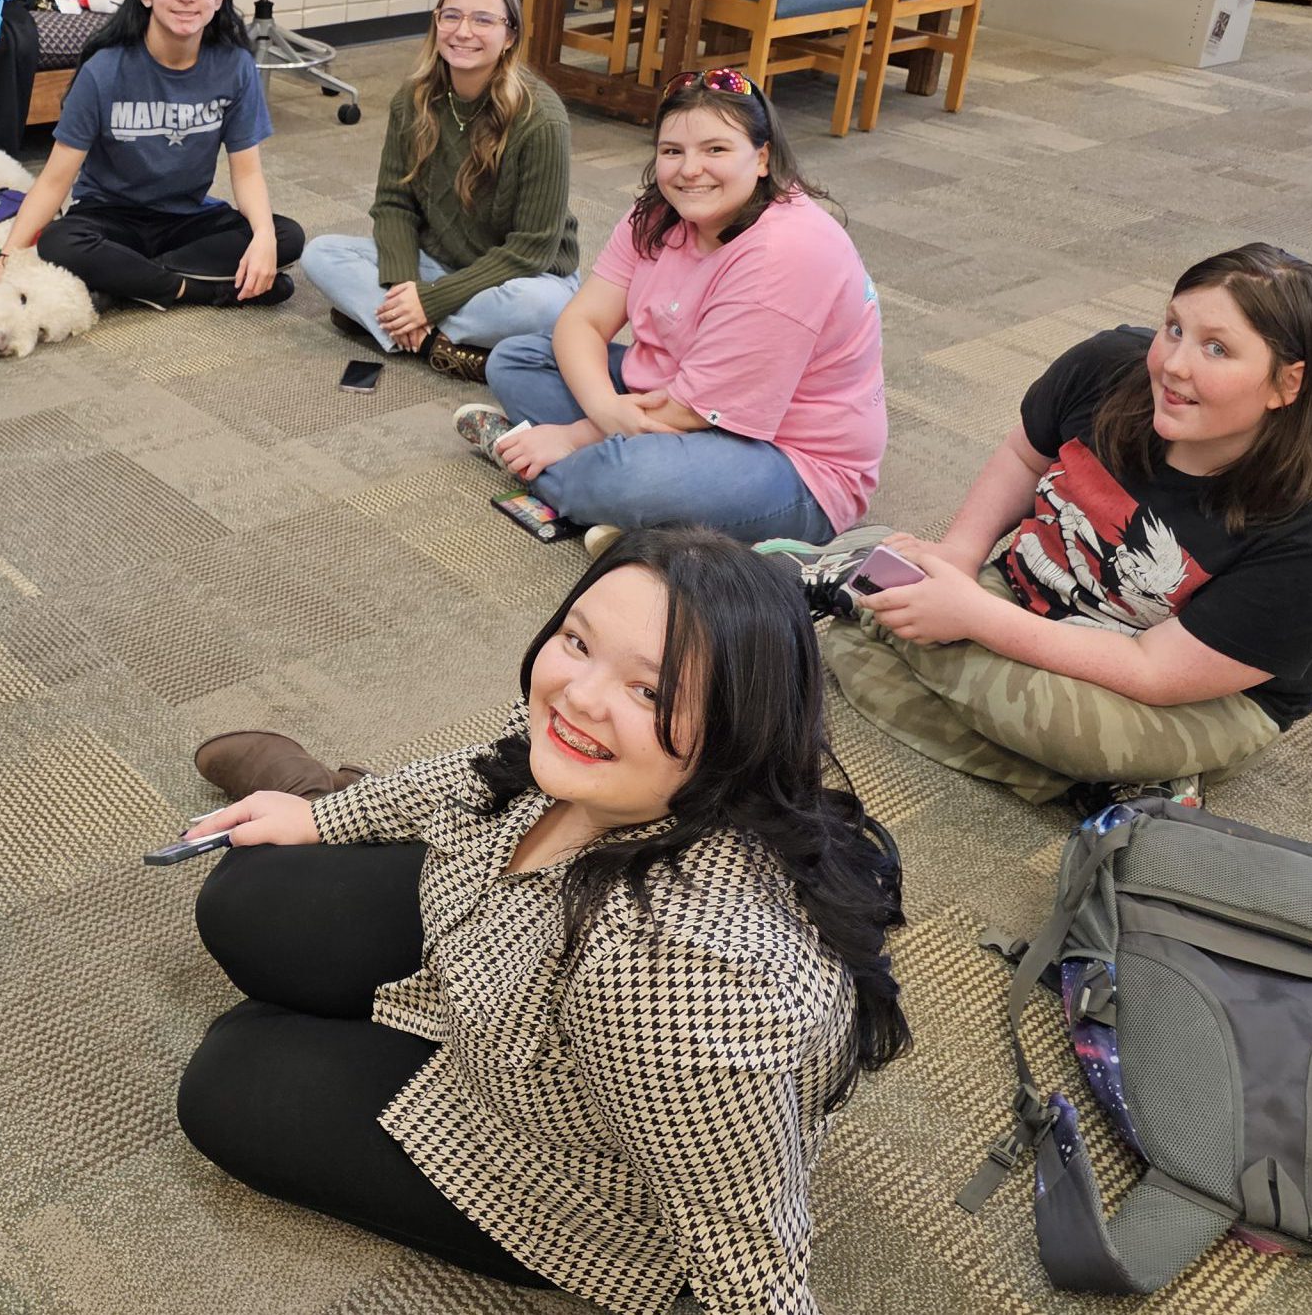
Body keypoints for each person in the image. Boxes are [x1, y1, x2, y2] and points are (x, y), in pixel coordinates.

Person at [174, 527, 907, 1313]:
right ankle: (325, 790)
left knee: (231, 1077)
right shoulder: (596, 739)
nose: (579, 694)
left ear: (736, 730)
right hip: (496, 944)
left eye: (651, 692)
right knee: (244, 896)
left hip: (557, 1159)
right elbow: (484, 766)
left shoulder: (676, 984)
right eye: (576, 640)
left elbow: (754, 1259)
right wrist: (331, 818)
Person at [766, 244, 1312, 809]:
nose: (1173, 365)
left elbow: (1154, 672)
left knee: (1063, 728)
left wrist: (972, 617)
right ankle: (1109, 790)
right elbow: (1022, 456)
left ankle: (857, 597)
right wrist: (957, 555)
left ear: (1286, 382)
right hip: (1037, 591)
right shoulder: (1107, 366)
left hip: (1187, 690)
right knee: (917, 620)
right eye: (1174, 329)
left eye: (1217, 349)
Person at [456, 68, 885, 553]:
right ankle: (633, 506)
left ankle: (557, 471)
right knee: (515, 358)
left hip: (790, 460)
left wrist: (578, 434)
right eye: (672, 151)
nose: (689, 170)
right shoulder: (658, 212)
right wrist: (609, 411)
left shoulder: (787, 250)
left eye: (715, 150)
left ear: (762, 158)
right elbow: (583, 321)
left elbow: (694, 409)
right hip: (669, 397)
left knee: (628, 479)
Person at [0, 0, 302, 313]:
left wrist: (262, 237)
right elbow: (55, 180)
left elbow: (247, 173)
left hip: (186, 220)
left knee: (286, 236)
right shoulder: (104, 70)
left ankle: (128, 282)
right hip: (110, 221)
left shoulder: (235, 66)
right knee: (59, 241)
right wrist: (6, 261)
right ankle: (201, 290)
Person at [297, 0, 580, 383]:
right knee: (321, 254)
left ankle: (390, 321)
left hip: (520, 275)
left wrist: (428, 303)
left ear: (511, 36)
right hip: (439, 262)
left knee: (544, 309)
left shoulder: (542, 118)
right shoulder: (412, 99)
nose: (463, 31)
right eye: (451, 16)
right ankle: (438, 345)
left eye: (483, 20)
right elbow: (394, 205)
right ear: (436, 23)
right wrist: (407, 286)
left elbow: (532, 249)